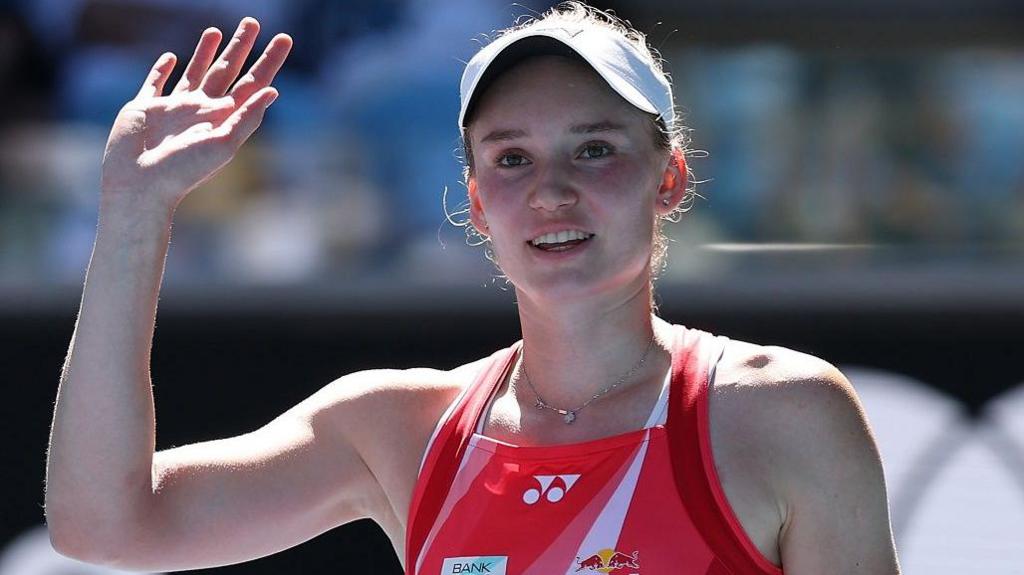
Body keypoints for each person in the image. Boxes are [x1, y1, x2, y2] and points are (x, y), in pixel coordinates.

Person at [44, 3, 901, 574]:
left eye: (595, 148)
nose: (552, 191)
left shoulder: (787, 412)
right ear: (478, 203)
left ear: (669, 178)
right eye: (512, 159)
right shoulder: (396, 428)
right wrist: (134, 211)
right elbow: (103, 524)